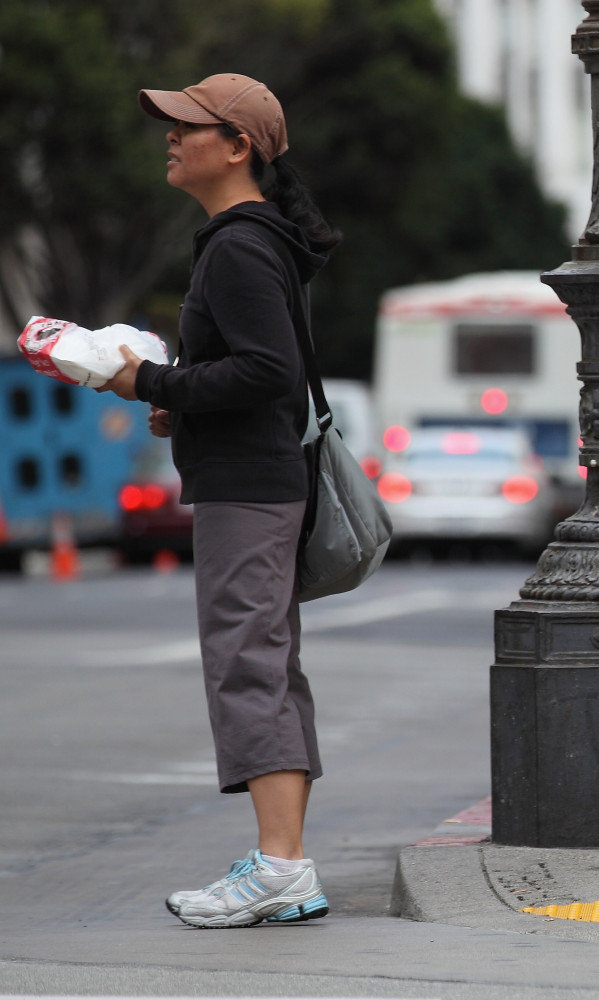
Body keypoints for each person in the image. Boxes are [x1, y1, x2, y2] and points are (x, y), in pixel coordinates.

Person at [99, 74, 339, 928]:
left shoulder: (237, 244)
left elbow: (267, 371)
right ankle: (285, 866)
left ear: (237, 146)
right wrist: (182, 397)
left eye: (185, 125)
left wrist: (145, 380)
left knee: (247, 666)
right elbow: (258, 371)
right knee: (267, 664)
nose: (169, 137)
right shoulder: (255, 237)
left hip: (248, 490)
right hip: (262, 479)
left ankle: (280, 866)